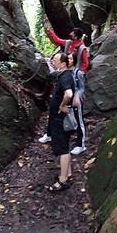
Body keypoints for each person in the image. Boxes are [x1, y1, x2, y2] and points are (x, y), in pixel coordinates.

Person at [38, 21, 90, 154]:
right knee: (54, 110)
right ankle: (50, 133)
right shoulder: (68, 44)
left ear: (77, 36)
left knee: (78, 118)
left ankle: (80, 143)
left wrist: (78, 92)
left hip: (76, 84)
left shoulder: (82, 49)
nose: (70, 34)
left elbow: (85, 64)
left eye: (73, 33)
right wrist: (49, 31)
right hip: (66, 81)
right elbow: (57, 40)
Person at [47, 52, 75, 192]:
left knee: (62, 148)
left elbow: (69, 94)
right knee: (65, 145)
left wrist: (62, 105)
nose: (53, 62)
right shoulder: (65, 75)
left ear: (63, 63)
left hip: (60, 119)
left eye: (55, 60)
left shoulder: (65, 77)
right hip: (61, 118)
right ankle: (68, 174)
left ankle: (62, 180)